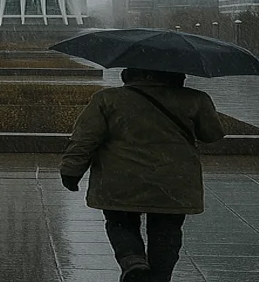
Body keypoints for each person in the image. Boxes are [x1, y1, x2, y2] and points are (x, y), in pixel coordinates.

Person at [60, 68, 225, 282]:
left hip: (120, 178)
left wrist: (71, 171)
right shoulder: (195, 99)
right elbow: (212, 135)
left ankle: (133, 260)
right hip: (174, 180)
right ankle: (159, 276)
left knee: (120, 222)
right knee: (167, 230)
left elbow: (85, 139)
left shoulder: (108, 99)